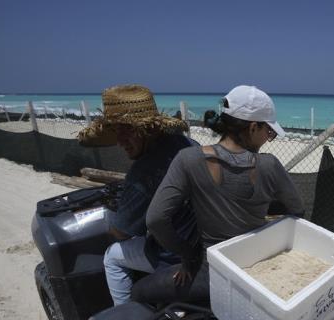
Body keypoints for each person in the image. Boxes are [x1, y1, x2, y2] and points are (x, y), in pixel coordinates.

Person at [132, 85, 304, 304]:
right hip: (256, 274)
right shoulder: (269, 165)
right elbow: (297, 210)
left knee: (138, 292)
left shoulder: (188, 160)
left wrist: (188, 254)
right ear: (252, 127)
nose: (267, 138)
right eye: (268, 132)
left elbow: (155, 220)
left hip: (211, 275)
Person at [77, 84, 198, 305]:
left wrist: (113, 220)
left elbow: (121, 232)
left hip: (175, 255)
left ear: (149, 129)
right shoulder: (187, 143)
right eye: (116, 131)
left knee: (112, 256)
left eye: (127, 130)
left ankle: (123, 314)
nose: (120, 140)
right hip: (203, 239)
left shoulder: (143, 173)